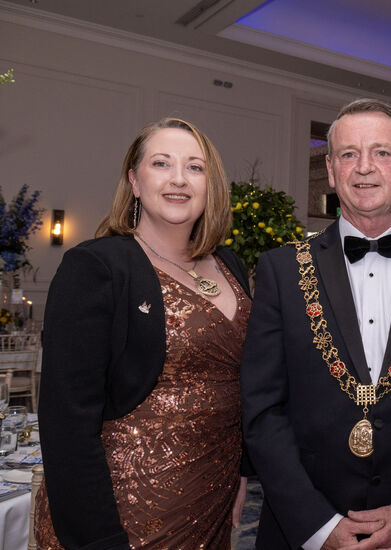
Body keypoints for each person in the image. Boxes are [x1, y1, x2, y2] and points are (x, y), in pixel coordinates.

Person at [241, 98, 391, 550]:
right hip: (299, 531)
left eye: (381, 153)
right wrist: (318, 526)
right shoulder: (281, 271)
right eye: (348, 154)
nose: (364, 168)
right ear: (330, 168)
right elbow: (263, 411)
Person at [36, 117, 252, 549]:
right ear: (134, 181)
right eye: (161, 163)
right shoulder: (97, 267)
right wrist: (98, 540)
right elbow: (66, 424)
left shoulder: (232, 265)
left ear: (212, 184)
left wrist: (242, 472)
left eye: (195, 167)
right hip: (121, 509)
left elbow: (244, 385)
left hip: (214, 495)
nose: (179, 179)